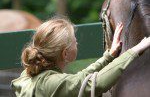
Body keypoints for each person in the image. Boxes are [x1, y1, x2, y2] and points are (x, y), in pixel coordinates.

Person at [11, 17, 150, 97]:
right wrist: (134, 50)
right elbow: (95, 83)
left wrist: (108, 56)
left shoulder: (29, 75)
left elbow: (80, 80)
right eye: (73, 41)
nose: (76, 42)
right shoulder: (50, 83)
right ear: (65, 54)